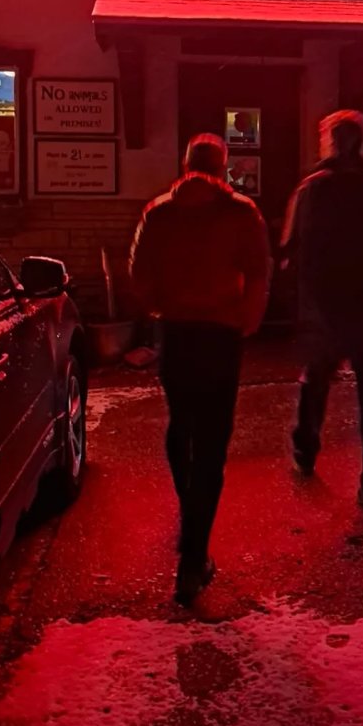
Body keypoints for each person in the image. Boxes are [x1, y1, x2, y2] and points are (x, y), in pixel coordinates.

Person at [129, 133, 271, 604]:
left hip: (177, 332)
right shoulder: (241, 213)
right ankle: (194, 558)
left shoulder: (160, 212)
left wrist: (158, 308)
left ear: (186, 164)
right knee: (212, 444)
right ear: (223, 167)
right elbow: (259, 270)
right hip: (221, 335)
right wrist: (245, 319)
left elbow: (140, 271)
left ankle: (190, 519)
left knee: (181, 424)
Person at [281, 110, 363, 522]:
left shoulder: (313, 191)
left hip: (325, 303)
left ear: (329, 142)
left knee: (316, 378)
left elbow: (290, 248)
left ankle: (305, 448)